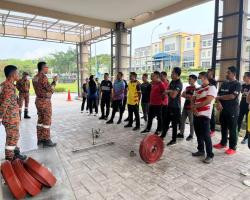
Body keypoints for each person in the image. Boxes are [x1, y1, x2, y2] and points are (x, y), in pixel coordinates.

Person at [0, 65, 27, 160]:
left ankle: (16, 153)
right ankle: (10, 158)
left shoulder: (5, 84)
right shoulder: (8, 86)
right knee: (12, 137)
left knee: (14, 136)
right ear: (12, 74)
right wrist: (0, 117)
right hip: (10, 117)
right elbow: (4, 103)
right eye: (17, 73)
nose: (18, 74)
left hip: (12, 116)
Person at [214, 66, 241, 155]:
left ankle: (233, 147)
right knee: (223, 127)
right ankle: (223, 143)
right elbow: (218, 94)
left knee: (232, 129)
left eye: (228, 73)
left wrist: (219, 98)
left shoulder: (237, 84)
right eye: (227, 72)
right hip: (223, 109)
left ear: (233, 74)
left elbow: (232, 96)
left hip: (232, 110)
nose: (226, 74)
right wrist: (218, 102)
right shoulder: (224, 83)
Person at [191, 72, 217, 164]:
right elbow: (192, 99)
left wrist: (195, 107)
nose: (199, 79)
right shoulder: (197, 88)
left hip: (205, 115)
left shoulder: (212, 87)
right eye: (199, 78)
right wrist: (193, 109)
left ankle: (210, 155)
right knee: (198, 134)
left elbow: (208, 101)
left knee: (206, 136)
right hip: (196, 114)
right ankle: (201, 150)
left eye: (201, 78)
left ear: (206, 78)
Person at [32, 62, 57, 147]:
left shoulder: (35, 77)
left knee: (40, 120)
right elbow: (51, 90)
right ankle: (46, 140)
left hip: (38, 101)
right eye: (47, 67)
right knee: (47, 120)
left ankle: (40, 139)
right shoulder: (43, 77)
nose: (48, 69)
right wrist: (54, 82)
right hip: (45, 102)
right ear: (43, 68)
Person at [160, 67, 183, 146]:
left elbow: (173, 95)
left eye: (172, 73)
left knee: (174, 124)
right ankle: (162, 136)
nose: (171, 74)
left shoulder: (179, 83)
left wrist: (169, 91)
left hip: (176, 107)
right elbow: (165, 92)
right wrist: (169, 91)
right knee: (166, 122)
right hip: (169, 106)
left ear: (176, 74)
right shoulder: (172, 82)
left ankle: (174, 140)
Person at [178, 74, 197, 141]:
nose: (189, 80)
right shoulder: (187, 87)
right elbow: (182, 95)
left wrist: (188, 96)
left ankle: (191, 135)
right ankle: (181, 133)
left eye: (190, 79)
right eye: (188, 79)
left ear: (194, 80)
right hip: (185, 106)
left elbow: (193, 98)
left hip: (191, 107)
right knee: (182, 120)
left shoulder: (196, 88)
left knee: (191, 122)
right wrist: (188, 96)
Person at [238, 72, 250, 144]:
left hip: (248, 107)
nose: (243, 77)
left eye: (244, 76)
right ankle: (235, 134)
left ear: (249, 77)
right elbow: (242, 93)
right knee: (238, 120)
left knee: (247, 123)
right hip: (242, 105)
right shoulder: (242, 85)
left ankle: (246, 138)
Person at [207, 68, 217, 137]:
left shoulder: (213, 81)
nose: (208, 73)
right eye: (207, 72)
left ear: (212, 73)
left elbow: (213, 90)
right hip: (206, 98)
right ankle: (208, 129)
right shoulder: (206, 79)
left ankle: (213, 130)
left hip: (211, 99)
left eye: (209, 72)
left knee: (212, 115)